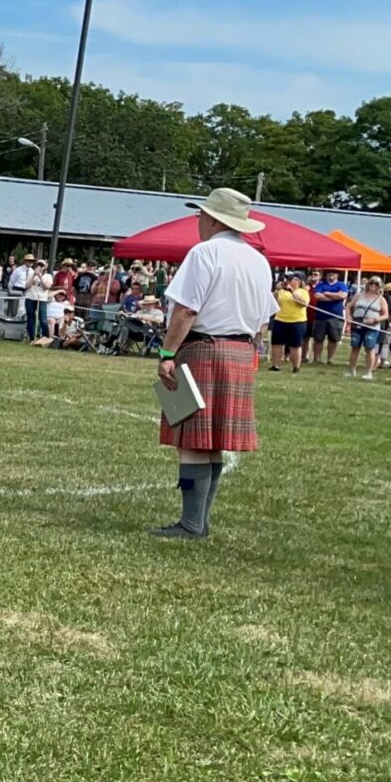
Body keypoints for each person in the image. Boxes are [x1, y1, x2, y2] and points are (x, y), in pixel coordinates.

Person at [153, 188, 277, 539]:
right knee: (214, 440)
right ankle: (199, 521)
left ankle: (192, 524)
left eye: (200, 215)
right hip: (240, 351)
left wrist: (166, 354)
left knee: (193, 437)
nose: (197, 221)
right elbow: (265, 316)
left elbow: (186, 310)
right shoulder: (258, 259)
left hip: (203, 348)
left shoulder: (205, 252)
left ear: (211, 219)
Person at [346, 278, 388, 380]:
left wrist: (375, 320)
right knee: (355, 347)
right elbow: (349, 307)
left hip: (372, 326)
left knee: (370, 348)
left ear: (379, 286)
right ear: (368, 284)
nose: (373, 285)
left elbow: (386, 315)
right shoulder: (359, 296)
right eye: (371, 283)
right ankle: (352, 370)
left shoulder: (381, 299)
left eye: (376, 284)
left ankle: (368, 372)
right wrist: (348, 317)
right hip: (357, 323)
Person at [270, 271, 310, 373]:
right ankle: (275, 365)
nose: (291, 281)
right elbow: (274, 302)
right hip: (280, 319)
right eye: (290, 279)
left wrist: (293, 291)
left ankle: (296, 367)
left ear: (300, 282)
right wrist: (277, 290)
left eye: (295, 279)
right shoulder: (283, 291)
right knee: (276, 344)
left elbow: (303, 303)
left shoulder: (303, 292)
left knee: (295, 345)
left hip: (297, 321)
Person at [308, 270, 349, 365]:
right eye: (329, 272)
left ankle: (330, 359)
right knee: (318, 338)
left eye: (334, 272)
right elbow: (317, 296)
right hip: (320, 316)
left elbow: (343, 296)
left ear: (337, 274)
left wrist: (327, 293)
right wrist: (335, 296)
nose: (331, 274)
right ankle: (317, 358)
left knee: (333, 339)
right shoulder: (321, 285)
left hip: (335, 316)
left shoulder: (341, 285)